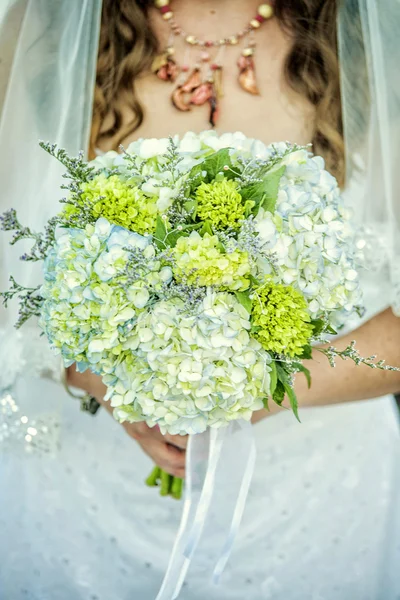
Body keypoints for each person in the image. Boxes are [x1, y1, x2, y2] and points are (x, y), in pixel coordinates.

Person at [0, 1, 399, 599]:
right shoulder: (52, 31)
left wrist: (260, 387)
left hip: (310, 495)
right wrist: (111, 382)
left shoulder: (370, 37)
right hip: (89, 487)